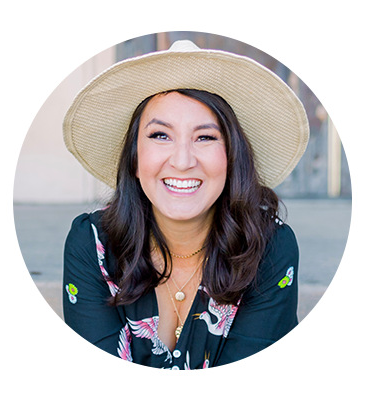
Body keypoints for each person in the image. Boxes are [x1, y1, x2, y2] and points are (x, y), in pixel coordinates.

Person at [62, 40, 309, 369]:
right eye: (160, 135)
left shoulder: (269, 247)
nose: (182, 161)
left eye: (205, 137)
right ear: (134, 159)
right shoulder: (92, 244)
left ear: (232, 158)